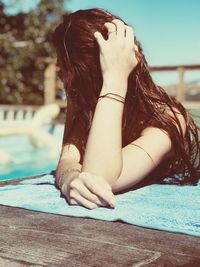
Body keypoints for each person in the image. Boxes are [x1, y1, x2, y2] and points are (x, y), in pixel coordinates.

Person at [53, 8, 200, 209]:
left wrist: (114, 81)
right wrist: (69, 179)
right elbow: (68, 158)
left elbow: (99, 179)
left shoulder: (168, 118)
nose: (61, 77)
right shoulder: (85, 102)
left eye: (66, 71)